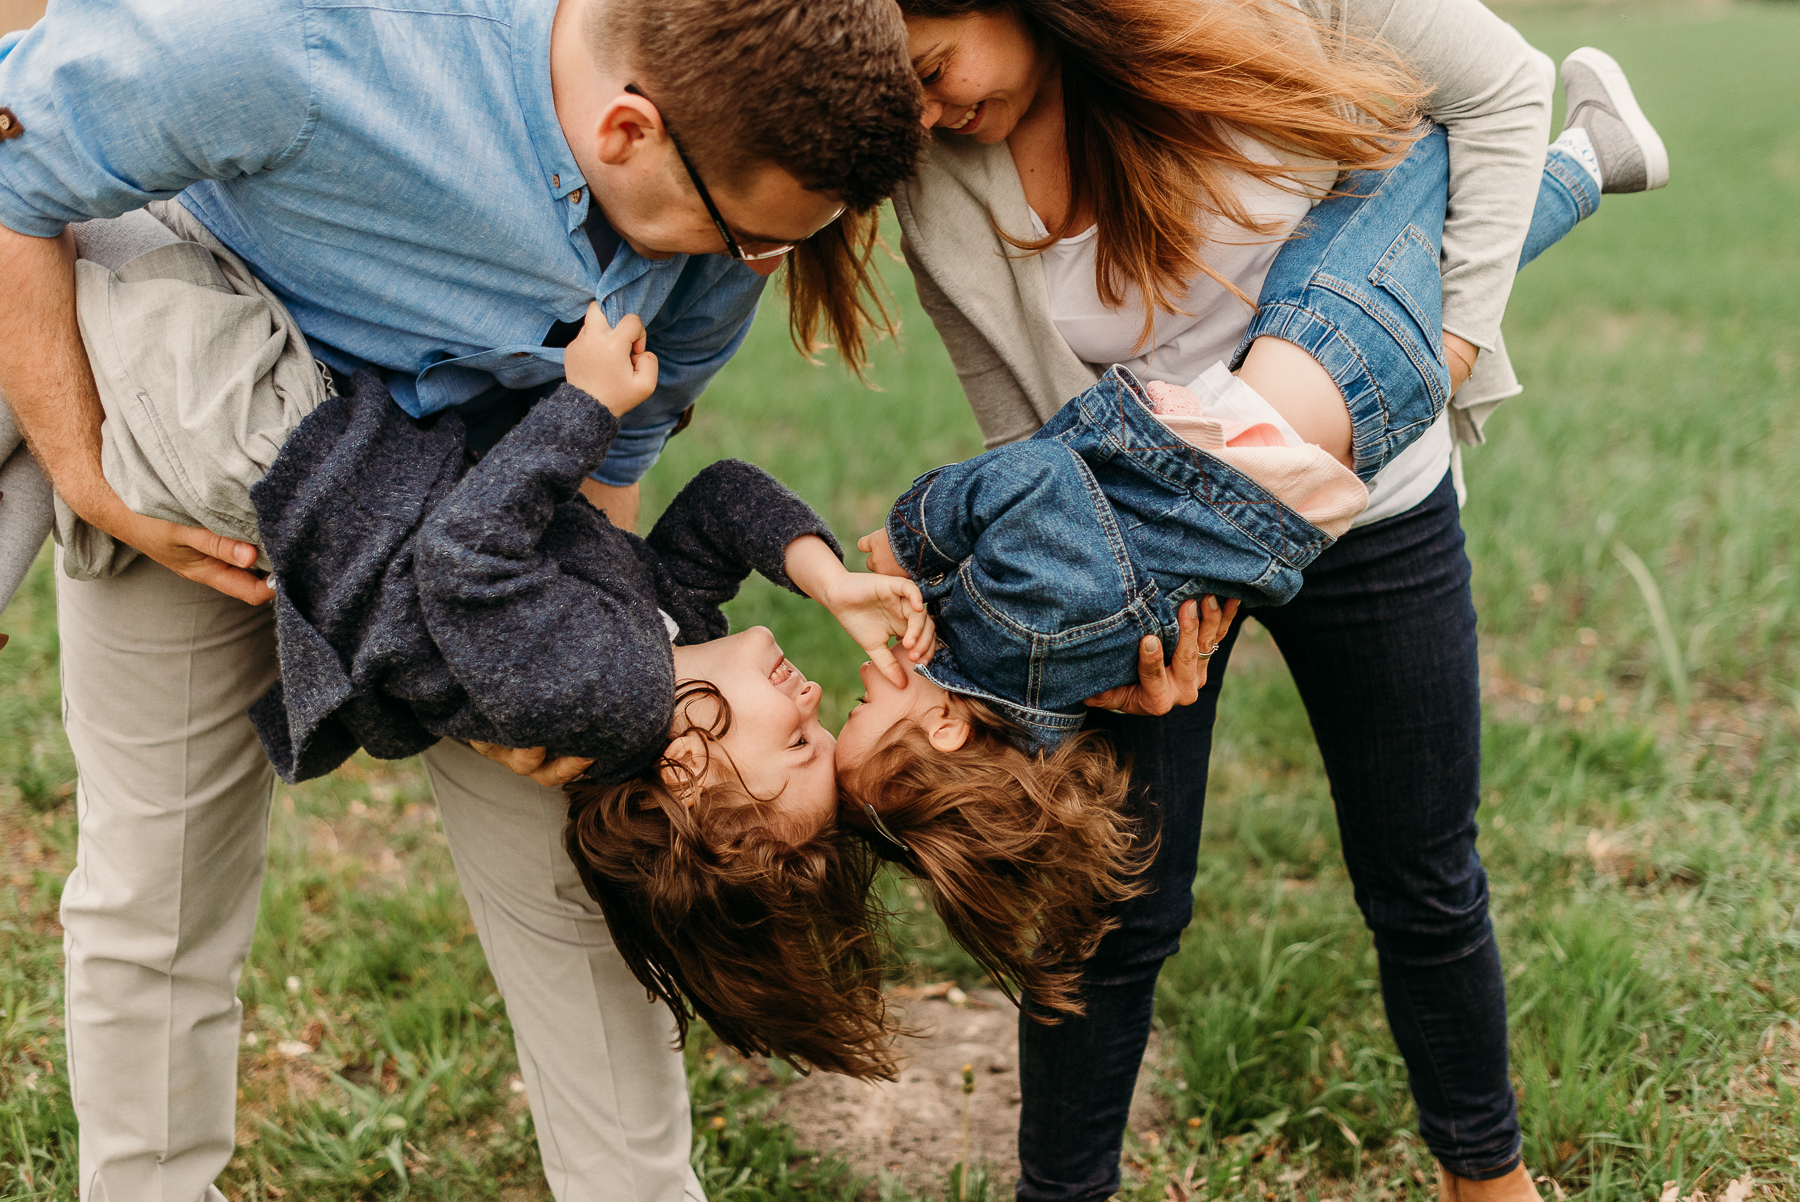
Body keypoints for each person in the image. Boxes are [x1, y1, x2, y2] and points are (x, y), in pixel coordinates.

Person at [0, 0, 921, 1196]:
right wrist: (83, 463)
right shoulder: (295, 43)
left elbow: (608, 490)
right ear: (630, 128)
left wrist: (543, 678)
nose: (751, 270)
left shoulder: (729, 227)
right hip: (230, 434)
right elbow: (19, 153)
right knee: (155, 888)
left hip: (495, 530)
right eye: (746, 237)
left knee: (576, 894)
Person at [883, 0, 1669, 1194]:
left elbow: (1504, 85)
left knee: (1422, 875)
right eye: (912, 101)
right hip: (1168, 549)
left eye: (935, 71)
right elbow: (1025, 425)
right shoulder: (937, 179)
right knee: (1111, 906)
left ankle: (1486, 1174)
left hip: (1373, 505)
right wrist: (1117, 605)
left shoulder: (1264, 11)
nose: (932, 115)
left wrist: (1450, 346)